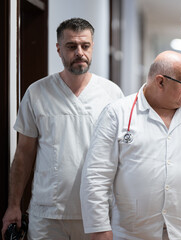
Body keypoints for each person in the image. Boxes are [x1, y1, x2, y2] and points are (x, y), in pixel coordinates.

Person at [80, 50, 181, 240]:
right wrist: (98, 226)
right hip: (133, 232)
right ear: (160, 81)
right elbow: (96, 175)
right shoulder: (117, 114)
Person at [1, 18, 124, 239]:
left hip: (95, 214)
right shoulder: (37, 93)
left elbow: (122, 156)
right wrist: (13, 205)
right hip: (47, 214)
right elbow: (23, 154)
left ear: (92, 47)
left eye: (85, 46)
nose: (79, 52)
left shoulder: (112, 94)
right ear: (59, 49)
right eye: (71, 46)